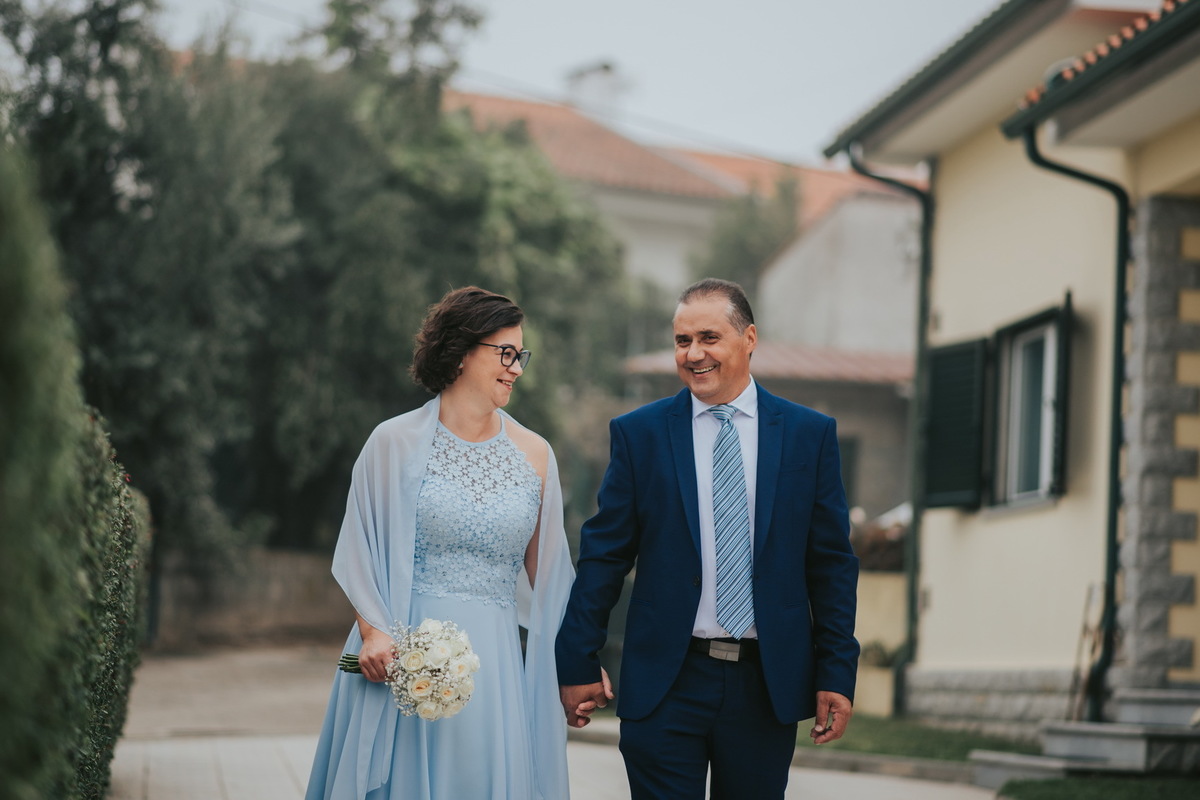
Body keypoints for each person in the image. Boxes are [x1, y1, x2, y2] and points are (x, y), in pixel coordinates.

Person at [556, 278, 860, 799]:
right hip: (666, 681)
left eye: (709, 338)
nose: (693, 354)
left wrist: (836, 671)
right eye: (682, 341)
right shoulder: (640, 434)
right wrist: (577, 659)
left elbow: (831, 565)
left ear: (749, 338)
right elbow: (604, 555)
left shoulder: (809, 435)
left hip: (765, 685)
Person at [306, 287, 574, 800]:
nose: (516, 369)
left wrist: (579, 659)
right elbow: (360, 546)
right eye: (506, 353)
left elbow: (552, 579)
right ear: (460, 351)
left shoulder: (536, 455)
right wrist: (374, 633)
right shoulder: (392, 442)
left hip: (494, 664)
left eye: (521, 356)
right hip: (399, 653)